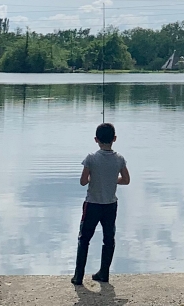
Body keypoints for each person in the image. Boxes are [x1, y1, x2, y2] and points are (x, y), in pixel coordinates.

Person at [72, 122, 130, 285]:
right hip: (110, 205)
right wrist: (111, 180)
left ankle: (78, 276)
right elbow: (126, 180)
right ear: (115, 139)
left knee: (84, 239)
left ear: (96, 139)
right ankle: (104, 273)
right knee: (109, 239)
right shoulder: (119, 159)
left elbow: (83, 181)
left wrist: (94, 178)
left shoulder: (91, 158)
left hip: (92, 205)